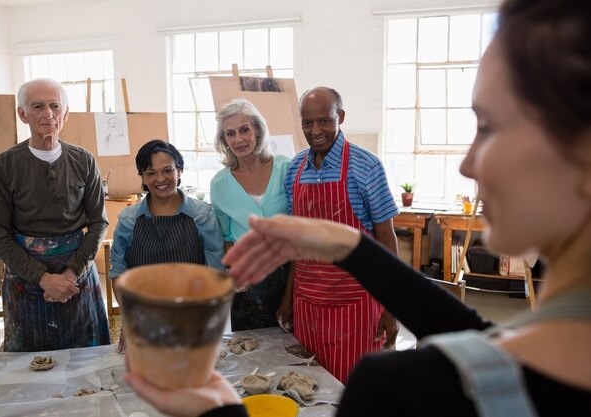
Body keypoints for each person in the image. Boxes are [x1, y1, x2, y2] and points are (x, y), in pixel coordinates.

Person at [124, 0, 591, 415]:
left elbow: (478, 345)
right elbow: (482, 335)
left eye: (488, 126)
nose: (468, 163)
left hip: (353, 304)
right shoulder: (290, 169)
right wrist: (351, 246)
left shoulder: (396, 390)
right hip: (308, 296)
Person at [282, 86, 400, 383]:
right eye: (308, 123)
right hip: (308, 305)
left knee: (355, 393)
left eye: (324, 121)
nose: (315, 130)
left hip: (356, 306)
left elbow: (387, 239)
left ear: (341, 117)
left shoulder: (366, 166)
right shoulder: (294, 169)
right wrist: (288, 298)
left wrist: (392, 308)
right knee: (308, 388)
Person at [0, 78, 110, 352]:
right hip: (27, 279)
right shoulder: (3, 166)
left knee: (85, 364)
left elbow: (99, 223)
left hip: (76, 276)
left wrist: (70, 274)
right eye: (38, 106)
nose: (48, 114)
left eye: (55, 106)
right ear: (23, 114)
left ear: (65, 112)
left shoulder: (84, 160)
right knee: (30, 369)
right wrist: (44, 279)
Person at [110, 139, 224, 350]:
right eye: (151, 173)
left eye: (167, 170)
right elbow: (118, 272)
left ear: (179, 171)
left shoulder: (201, 215)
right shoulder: (129, 220)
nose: (160, 179)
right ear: (142, 177)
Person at [210, 99, 292, 331]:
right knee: (251, 353)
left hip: (291, 279)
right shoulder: (219, 184)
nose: (238, 139)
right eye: (230, 133)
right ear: (223, 140)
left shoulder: (287, 169)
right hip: (249, 289)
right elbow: (227, 239)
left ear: (258, 130)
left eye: (245, 129)